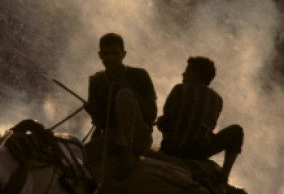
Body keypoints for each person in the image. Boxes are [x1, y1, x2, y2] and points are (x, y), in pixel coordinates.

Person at [157, 56, 243, 181]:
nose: (183, 74)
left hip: (172, 149)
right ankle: (224, 175)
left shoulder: (179, 89)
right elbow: (209, 126)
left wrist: (161, 123)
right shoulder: (217, 99)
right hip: (198, 152)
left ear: (196, 74)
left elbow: (167, 122)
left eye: (187, 70)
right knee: (237, 131)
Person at [84, 33, 157, 179]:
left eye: (115, 53)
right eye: (106, 54)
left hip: (138, 137)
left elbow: (151, 115)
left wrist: (129, 90)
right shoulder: (97, 81)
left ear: (123, 54)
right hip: (111, 138)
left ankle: (126, 152)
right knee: (76, 156)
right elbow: (100, 122)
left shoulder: (139, 75)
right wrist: (92, 111)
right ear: (100, 55)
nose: (110, 58)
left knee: (124, 94)